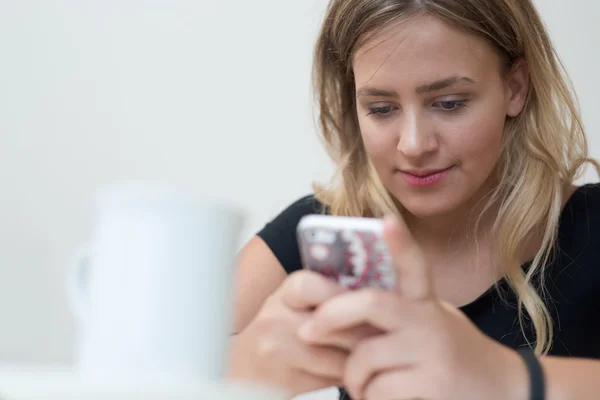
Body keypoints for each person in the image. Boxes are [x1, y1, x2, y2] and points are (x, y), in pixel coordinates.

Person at [227, 0, 600, 399]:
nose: (414, 144)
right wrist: (246, 366)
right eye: (382, 108)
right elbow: (162, 367)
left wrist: (503, 378)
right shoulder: (326, 234)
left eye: (450, 103)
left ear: (516, 88)